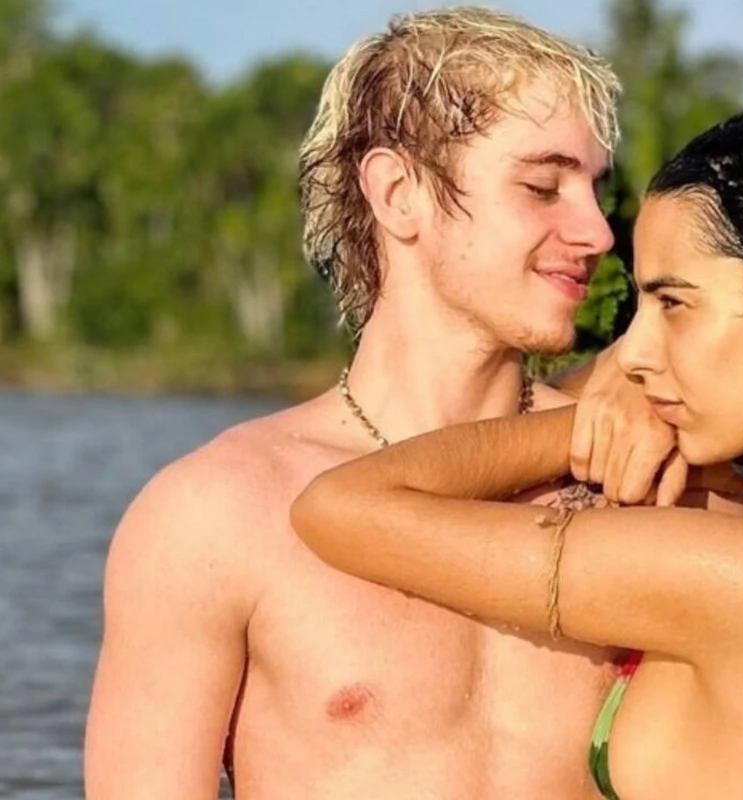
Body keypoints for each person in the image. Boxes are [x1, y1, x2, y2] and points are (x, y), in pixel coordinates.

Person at [290, 95, 743, 800]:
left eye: (674, 304)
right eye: (637, 310)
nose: (630, 353)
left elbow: (341, 507)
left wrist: (577, 427)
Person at [84, 8, 649, 799]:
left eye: (596, 190)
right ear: (398, 193)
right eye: (542, 187)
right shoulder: (217, 513)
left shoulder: (632, 479)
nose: (597, 231)